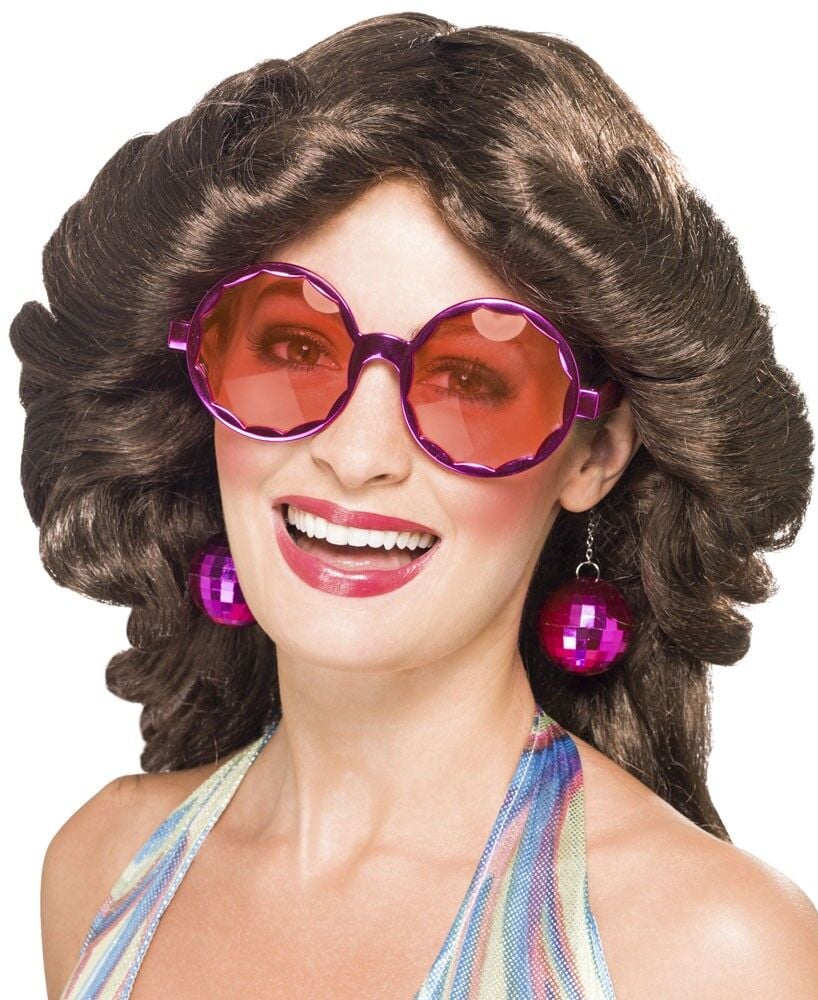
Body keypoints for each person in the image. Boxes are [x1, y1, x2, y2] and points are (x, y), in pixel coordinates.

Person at [11, 11, 818, 1000]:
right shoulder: (99, 869)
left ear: (596, 451)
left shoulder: (709, 953)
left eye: (472, 381)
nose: (355, 455)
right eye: (294, 347)